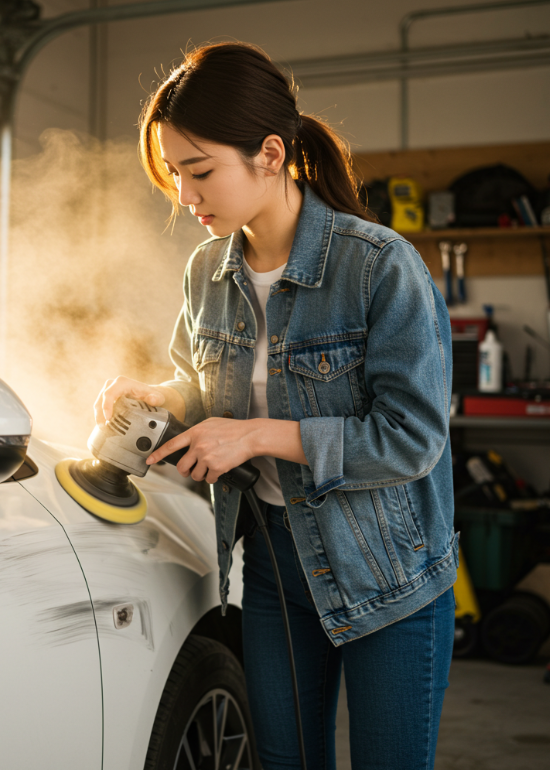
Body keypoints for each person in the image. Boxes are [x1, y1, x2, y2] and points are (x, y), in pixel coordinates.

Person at [94, 42, 456, 770]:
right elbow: (202, 388)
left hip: (387, 573)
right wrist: (161, 396)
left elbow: (411, 438)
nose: (186, 197)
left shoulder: (379, 265)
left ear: (268, 153)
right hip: (271, 569)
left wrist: (256, 435)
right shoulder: (207, 271)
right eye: (175, 176)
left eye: (200, 172)